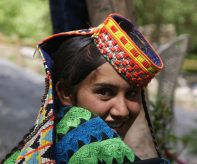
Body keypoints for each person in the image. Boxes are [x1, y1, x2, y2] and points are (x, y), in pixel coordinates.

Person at [2, 14, 169, 163]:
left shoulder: (42, 144)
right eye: (104, 92)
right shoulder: (83, 130)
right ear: (65, 92)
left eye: (132, 93)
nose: (122, 111)